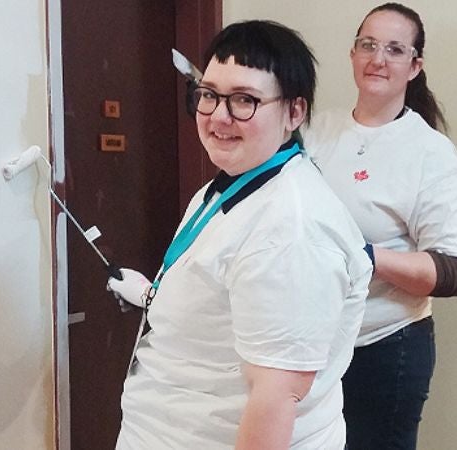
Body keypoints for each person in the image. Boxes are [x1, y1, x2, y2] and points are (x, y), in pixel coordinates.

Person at [106, 20, 372, 450]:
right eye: (208, 95)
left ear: (295, 112)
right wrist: (153, 295)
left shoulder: (292, 231)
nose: (218, 117)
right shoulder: (234, 181)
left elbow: (276, 397)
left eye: (244, 100)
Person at [303, 3, 457, 449]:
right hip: (311, 345)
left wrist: (364, 256)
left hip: (385, 350)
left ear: (414, 66)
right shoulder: (315, 131)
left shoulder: (429, 152)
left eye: (395, 49)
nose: (378, 59)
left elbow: (455, 272)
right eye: (368, 45)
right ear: (352, 53)